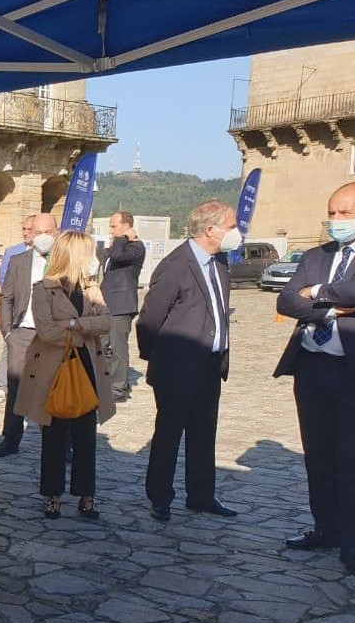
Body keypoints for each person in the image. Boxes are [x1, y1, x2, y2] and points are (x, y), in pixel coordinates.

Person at [137, 199, 240, 523]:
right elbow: (150, 319)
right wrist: (161, 356)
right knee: (169, 434)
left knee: (203, 432)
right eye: (232, 226)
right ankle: (160, 496)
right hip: (177, 367)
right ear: (211, 229)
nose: (237, 233)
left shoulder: (219, 261)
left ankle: (201, 495)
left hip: (210, 363)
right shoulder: (175, 265)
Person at [274, 181, 355, 567]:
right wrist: (330, 309)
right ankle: (326, 528)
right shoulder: (315, 254)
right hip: (311, 367)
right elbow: (287, 299)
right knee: (318, 453)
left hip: (349, 372)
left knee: (349, 457)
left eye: (345, 213)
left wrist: (316, 291)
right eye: (332, 212)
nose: (336, 220)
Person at [14, 231, 115, 520]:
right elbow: (46, 330)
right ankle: (52, 495)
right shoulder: (43, 288)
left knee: (86, 435)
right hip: (53, 369)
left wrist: (72, 323)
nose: (94, 259)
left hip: (87, 367)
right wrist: (84, 327)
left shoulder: (92, 287)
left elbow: (107, 321)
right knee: (54, 435)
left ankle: (86, 495)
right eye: (89, 252)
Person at [0, 213, 57, 457]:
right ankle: (10, 441)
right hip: (22, 333)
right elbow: (7, 297)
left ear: (56, 232)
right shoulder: (19, 261)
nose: (42, 237)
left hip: (53, 336)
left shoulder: (64, 261)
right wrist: (8, 331)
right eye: (37, 232)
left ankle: (58, 443)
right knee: (16, 388)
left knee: (53, 390)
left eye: (47, 232)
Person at [100, 211, 147, 403]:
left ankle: (118, 389)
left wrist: (123, 239)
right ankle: (116, 380)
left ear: (126, 226)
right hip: (106, 303)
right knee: (102, 345)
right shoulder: (116, 247)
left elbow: (119, 257)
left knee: (118, 347)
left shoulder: (136, 248)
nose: (111, 230)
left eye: (114, 226)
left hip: (122, 305)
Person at [0, 216, 35, 404]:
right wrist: (7, 328)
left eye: (29, 229)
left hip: (40, 320)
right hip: (18, 316)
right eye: (23, 228)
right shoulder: (13, 252)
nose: (25, 232)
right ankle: (2, 386)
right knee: (9, 351)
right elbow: (4, 280)